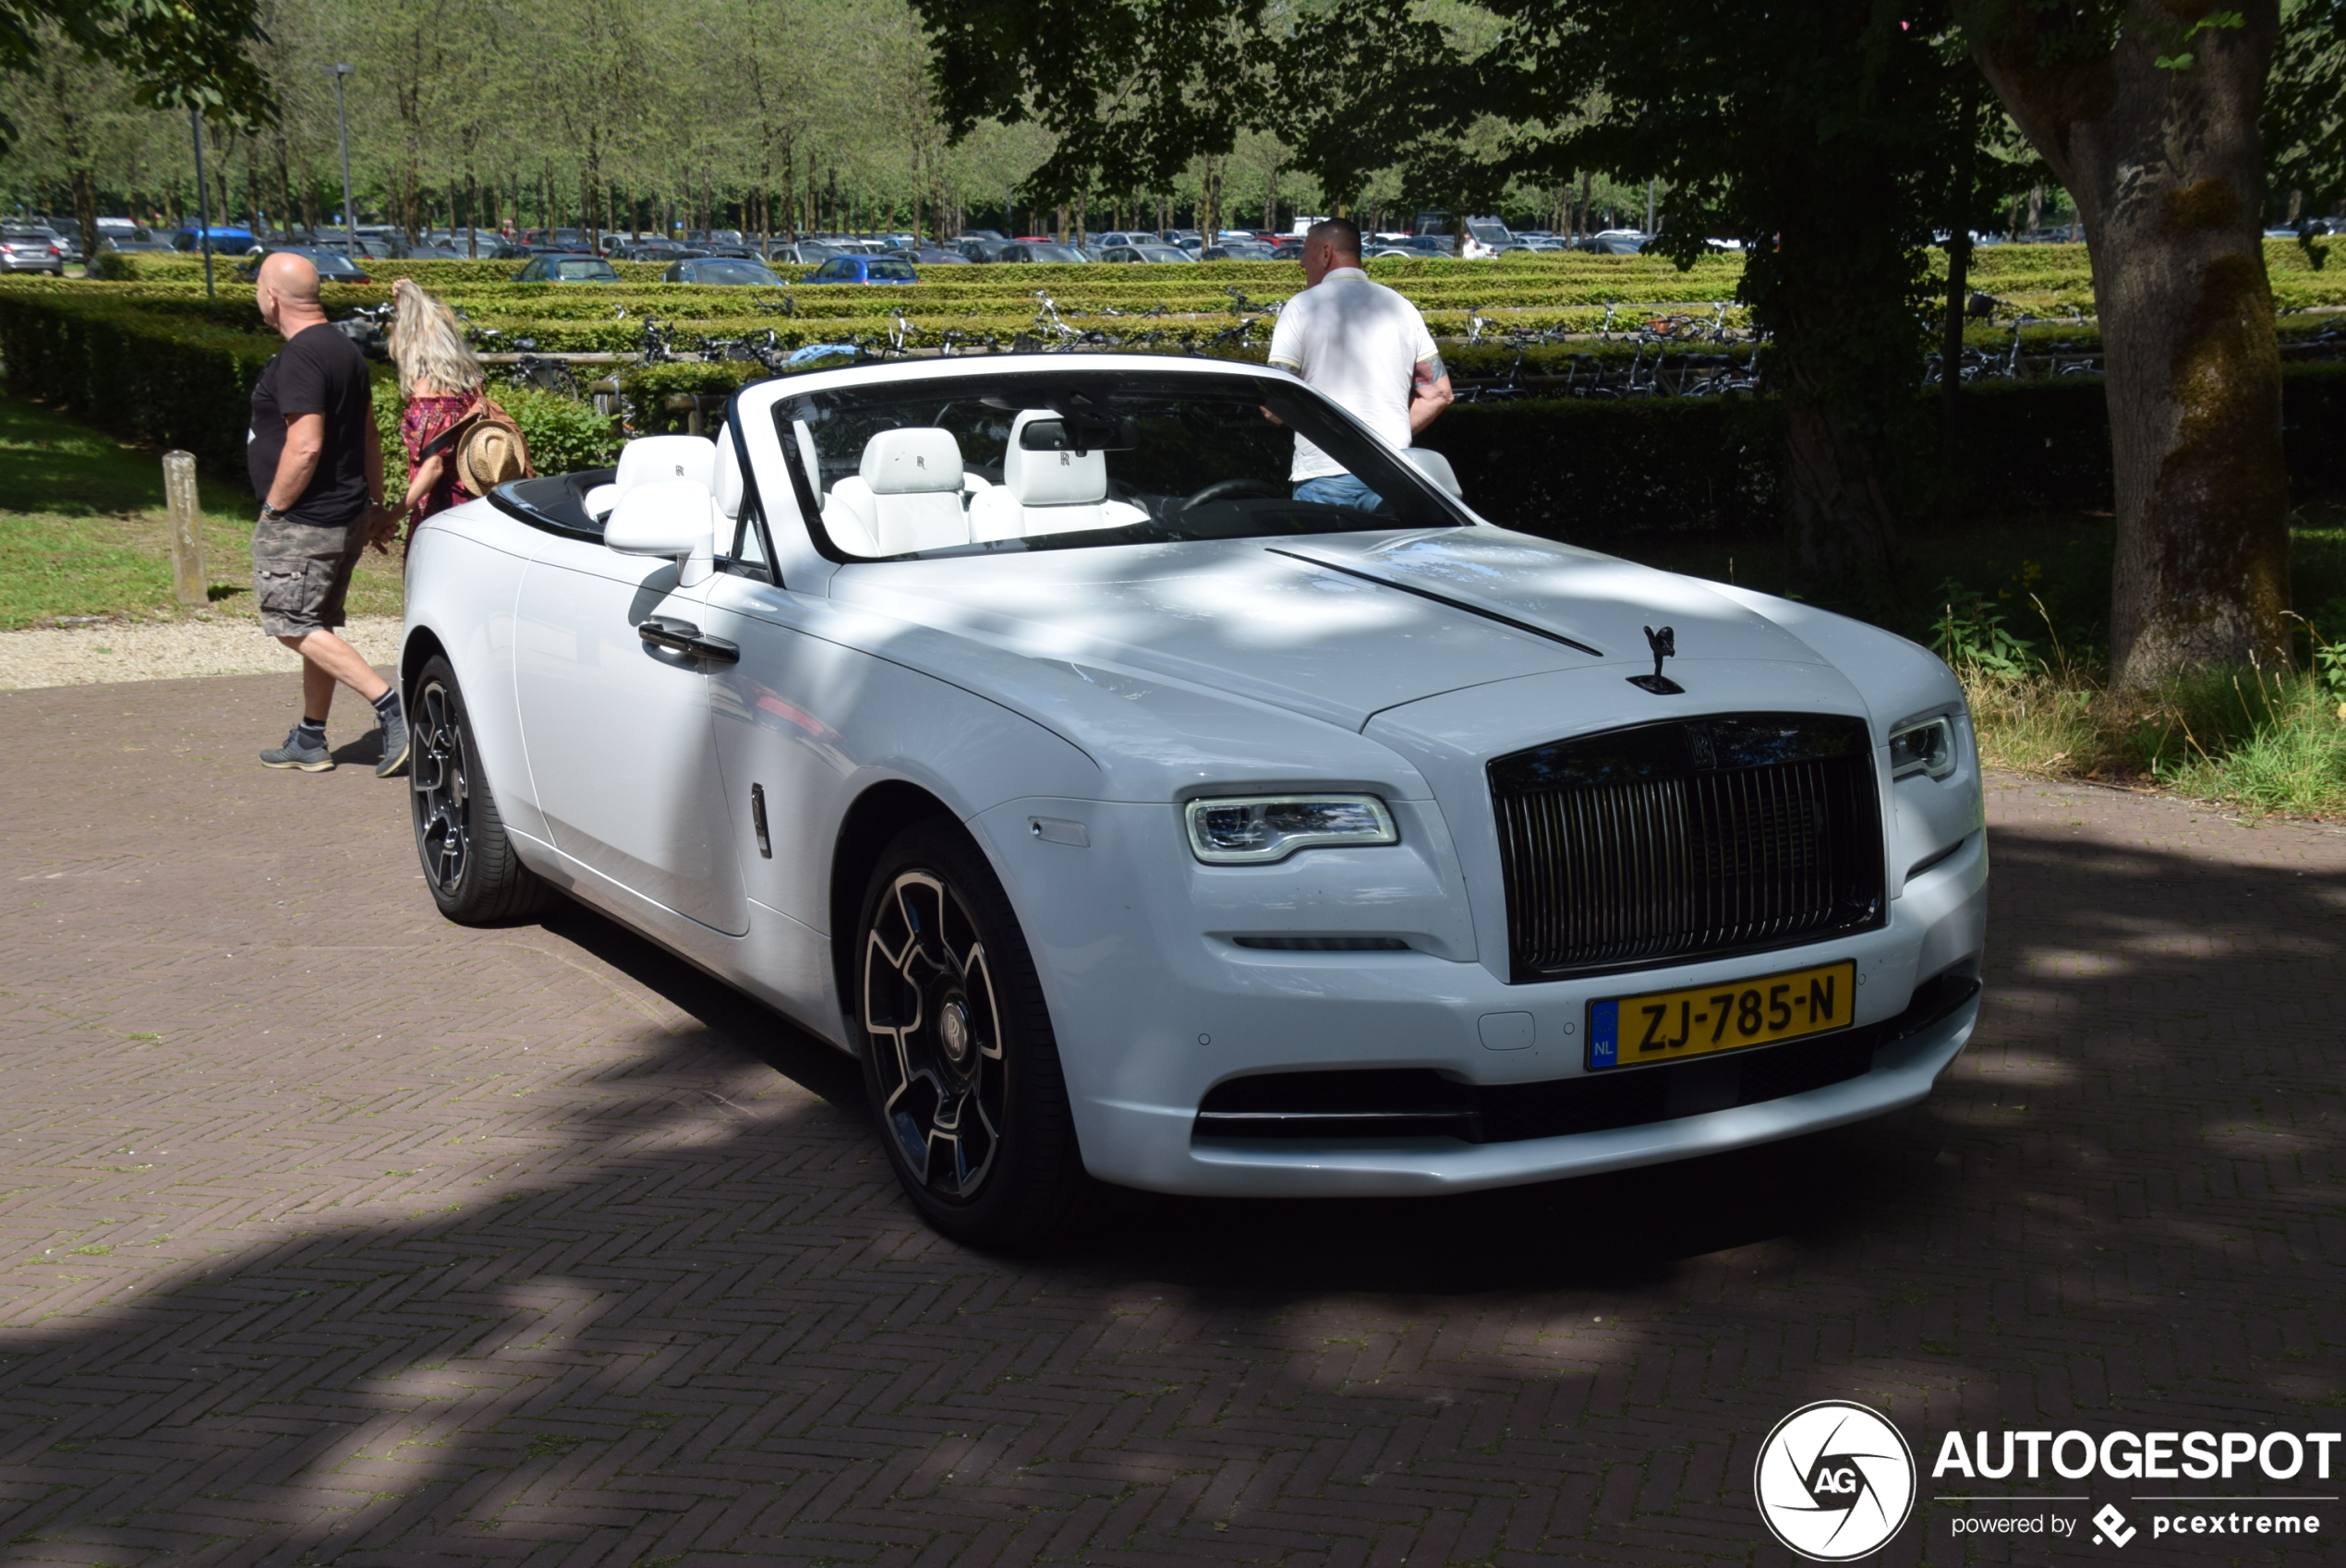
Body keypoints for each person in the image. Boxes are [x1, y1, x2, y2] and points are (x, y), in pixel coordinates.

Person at [246, 249, 406, 777]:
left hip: (305, 520)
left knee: (289, 624)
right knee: (316, 625)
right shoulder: (344, 349)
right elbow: (368, 437)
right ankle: (310, 738)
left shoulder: (300, 357)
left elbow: (306, 445)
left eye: (257, 288)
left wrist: (275, 506)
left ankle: (390, 707)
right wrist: (376, 503)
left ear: (271, 296)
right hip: (345, 514)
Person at [1265, 217, 1455, 512]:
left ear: (1326, 253)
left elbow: (1275, 404)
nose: (1302, 263)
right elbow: (1439, 393)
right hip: (1395, 471)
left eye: (1305, 253)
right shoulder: (1401, 307)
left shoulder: (1302, 307)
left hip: (1324, 475)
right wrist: (1381, 440)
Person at [382, 277, 504, 539]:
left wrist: (390, 516)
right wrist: (404, 297)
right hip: (474, 505)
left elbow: (434, 467)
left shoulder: (431, 395)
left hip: (442, 511)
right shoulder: (469, 382)